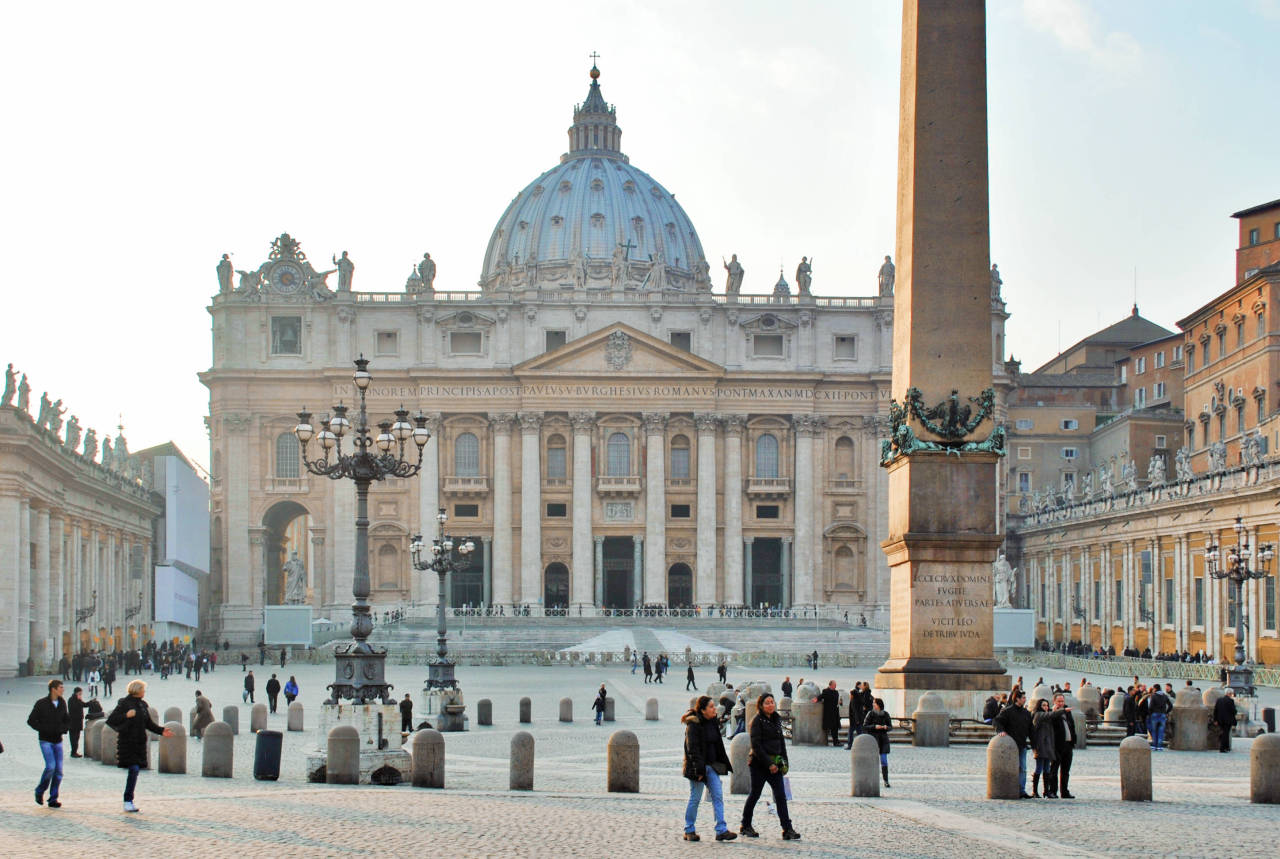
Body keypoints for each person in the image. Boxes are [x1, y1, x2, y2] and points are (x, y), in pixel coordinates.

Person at [739, 693, 801, 840]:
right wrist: (769, 764)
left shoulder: (776, 719)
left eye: (772, 702)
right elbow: (756, 746)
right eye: (767, 703)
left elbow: (781, 742)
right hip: (759, 765)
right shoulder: (757, 721)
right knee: (755, 794)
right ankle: (745, 824)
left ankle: (787, 829)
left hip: (776, 764)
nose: (770, 705)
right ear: (760, 705)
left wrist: (784, 762)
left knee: (781, 796)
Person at [106, 680, 173, 813]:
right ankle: (128, 800)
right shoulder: (124, 703)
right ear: (137, 690)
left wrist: (161, 731)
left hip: (139, 742)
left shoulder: (142, 705)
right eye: (143, 689)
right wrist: (126, 715)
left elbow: (148, 723)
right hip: (127, 742)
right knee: (134, 769)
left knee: (135, 770)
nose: (144, 692)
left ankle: (129, 800)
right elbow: (112, 719)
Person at [681, 695, 736, 842]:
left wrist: (722, 763)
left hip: (711, 766)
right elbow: (692, 749)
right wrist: (699, 771)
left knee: (718, 796)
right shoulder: (693, 724)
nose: (715, 708)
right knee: (695, 798)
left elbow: (717, 744)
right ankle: (689, 829)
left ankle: (721, 830)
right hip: (697, 767)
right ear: (703, 709)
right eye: (711, 706)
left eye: (714, 705)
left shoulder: (712, 722)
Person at [28, 679, 69, 808]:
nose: (63, 690)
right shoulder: (41, 703)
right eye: (61, 687)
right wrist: (43, 728)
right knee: (50, 767)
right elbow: (31, 720)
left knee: (59, 771)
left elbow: (66, 719)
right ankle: (39, 791)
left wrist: (63, 728)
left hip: (58, 740)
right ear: (53, 689)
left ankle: (53, 798)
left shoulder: (62, 703)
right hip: (45, 740)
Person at [993, 689, 1033, 798]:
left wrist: (1034, 745)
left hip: (1022, 745)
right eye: (1023, 698)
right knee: (1010, 768)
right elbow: (997, 721)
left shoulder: (1026, 713)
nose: (1025, 700)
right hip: (1010, 746)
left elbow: (1031, 730)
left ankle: (1021, 790)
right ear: (1017, 699)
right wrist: (1001, 731)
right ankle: (1010, 789)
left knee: (1023, 768)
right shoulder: (1008, 711)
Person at [1048, 694, 1077, 798]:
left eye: (1062, 701)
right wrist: (1054, 712)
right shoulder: (1052, 713)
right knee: (1054, 769)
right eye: (1059, 701)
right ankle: (1052, 791)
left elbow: (1072, 726)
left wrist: (1073, 740)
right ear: (1054, 702)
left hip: (1068, 745)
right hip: (1056, 745)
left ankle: (1064, 791)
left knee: (1065, 771)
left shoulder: (1067, 712)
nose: (1061, 703)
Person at [862, 697, 893, 788]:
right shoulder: (870, 714)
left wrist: (886, 727)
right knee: (872, 761)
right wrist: (875, 726)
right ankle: (869, 779)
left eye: (874, 703)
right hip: (873, 739)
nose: (873, 704)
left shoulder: (885, 714)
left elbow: (890, 726)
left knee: (884, 761)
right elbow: (865, 726)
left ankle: (886, 780)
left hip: (883, 740)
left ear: (879, 704)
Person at [1029, 698, 1056, 798]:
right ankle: (1035, 791)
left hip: (1047, 747)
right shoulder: (1038, 715)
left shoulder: (1047, 717)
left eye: (1047, 705)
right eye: (1044, 705)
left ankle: (1046, 791)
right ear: (1039, 706)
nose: (1046, 707)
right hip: (1040, 746)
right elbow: (1034, 732)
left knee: (1047, 769)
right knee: (1039, 768)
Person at [817, 680, 841, 747]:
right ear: (830, 685)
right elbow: (821, 696)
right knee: (830, 728)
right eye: (834, 685)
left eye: (835, 684)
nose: (835, 686)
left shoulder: (836, 692)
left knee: (835, 728)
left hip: (835, 713)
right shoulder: (826, 691)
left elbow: (837, 701)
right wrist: (816, 699)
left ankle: (836, 742)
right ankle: (832, 742)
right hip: (828, 713)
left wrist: (840, 702)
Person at [1213, 688, 1237, 753]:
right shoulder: (1230, 701)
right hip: (1228, 720)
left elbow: (1215, 710)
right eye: (1231, 693)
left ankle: (1226, 747)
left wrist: (1215, 720)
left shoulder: (1219, 700)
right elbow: (1234, 711)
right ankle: (1222, 748)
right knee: (1226, 734)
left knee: (1224, 733)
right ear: (1229, 694)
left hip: (1220, 720)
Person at [67, 686, 86, 758]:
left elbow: (84, 705)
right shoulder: (71, 700)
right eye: (80, 693)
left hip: (78, 722)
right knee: (73, 738)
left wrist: (91, 702)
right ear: (76, 693)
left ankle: (75, 751)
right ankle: (73, 752)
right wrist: (79, 701)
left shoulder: (78, 700)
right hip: (72, 722)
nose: (81, 695)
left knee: (77, 737)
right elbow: (73, 708)